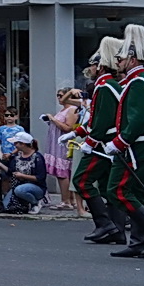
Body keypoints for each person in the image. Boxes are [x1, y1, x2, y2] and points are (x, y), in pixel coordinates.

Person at [108, 25, 144, 258]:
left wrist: (120, 142)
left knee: (117, 189)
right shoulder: (137, 80)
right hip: (143, 145)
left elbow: (137, 119)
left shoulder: (139, 82)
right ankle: (140, 241)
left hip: (140, 145)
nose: (117, 60)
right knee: (138, 193)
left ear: (132, 58)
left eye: (121, 56)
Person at [77, 37, 129, 245]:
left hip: (103, 144)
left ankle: (104, 224)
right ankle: (116, 230)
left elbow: (103, 120)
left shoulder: (105, 86)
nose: (89, 68)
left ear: (99, 65)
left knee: (81, 180)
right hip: (108, 143)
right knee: (109, 187)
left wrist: (90, 141)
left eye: (92, 64)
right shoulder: (108, 85)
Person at [43, 86, 85, 215]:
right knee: (61, 172)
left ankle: (66, 200)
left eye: (61, 95)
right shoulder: (64, 109)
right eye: (58, 95)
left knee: (63, 172)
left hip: (65, 144)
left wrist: (53, 119)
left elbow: (69, 128)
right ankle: (69, 200)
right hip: (57, 142)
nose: (59, 98)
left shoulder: (72, 109)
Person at [3, 133, 46, 213]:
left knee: (19, 190)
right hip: (17, 185)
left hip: (36, 187)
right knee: (6, 206)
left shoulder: (37, 157)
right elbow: (10, 171)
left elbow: (40, 177)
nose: (14, 145)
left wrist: (23, 176)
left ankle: (35, 202)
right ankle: (24, 203)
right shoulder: (17, 155)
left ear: (22, 144)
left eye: (16, 143)